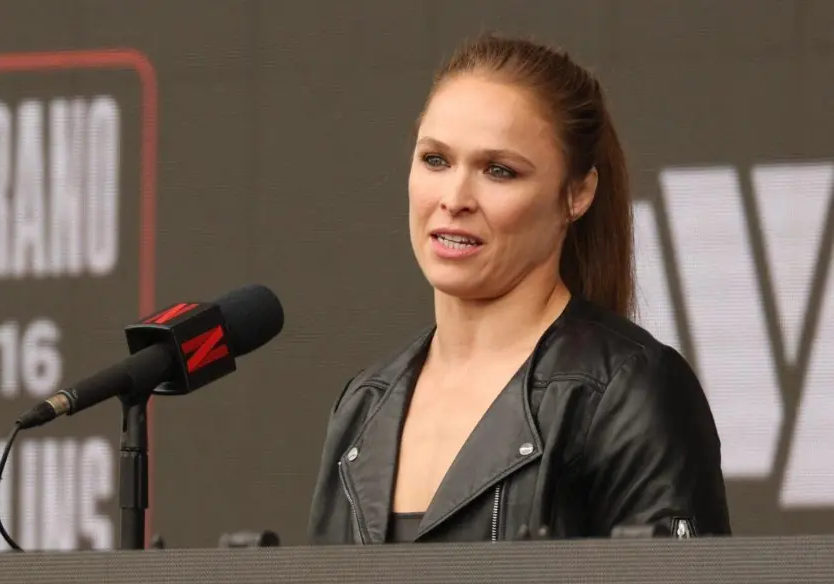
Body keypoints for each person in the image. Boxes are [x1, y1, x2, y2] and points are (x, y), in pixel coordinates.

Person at [307, 33, 731, 544]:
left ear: (577, 194)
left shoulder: (628, 392)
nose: (455, 198)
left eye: (499, 171)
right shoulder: (363, 406)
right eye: (436, 160)